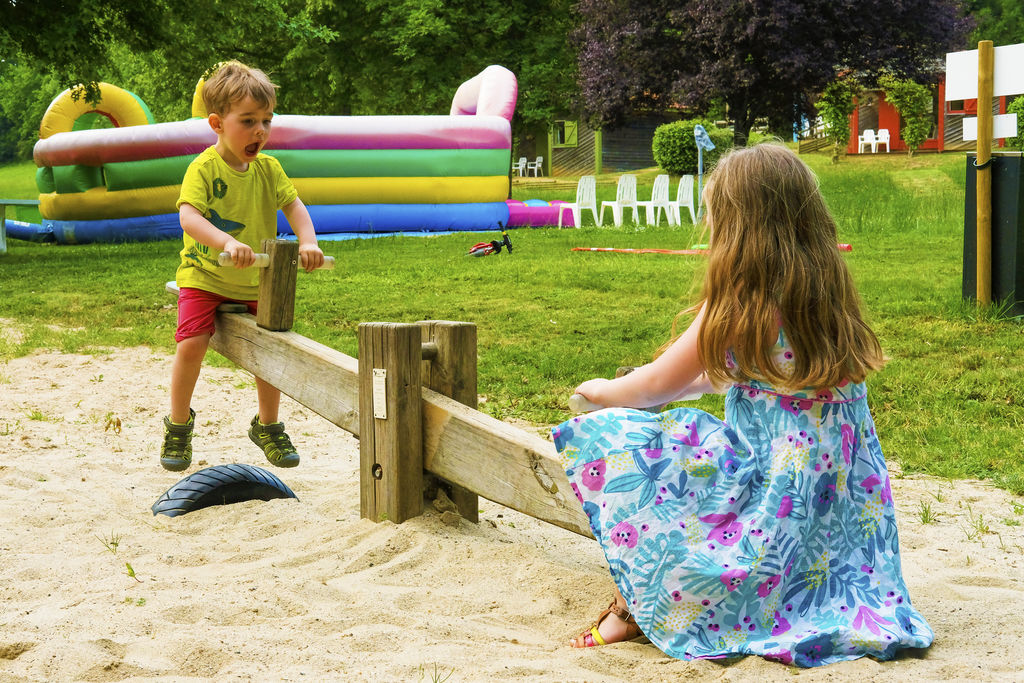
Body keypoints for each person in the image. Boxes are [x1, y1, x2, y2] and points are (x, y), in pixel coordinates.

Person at [552, 144, 932, 667]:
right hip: (836, 511)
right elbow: (745, 377)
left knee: (625, 444)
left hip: (773, 493)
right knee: (684, 427)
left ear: (738, 225)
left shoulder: (738, 294)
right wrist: (688, 389)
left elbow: (651, 387)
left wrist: (599, 392)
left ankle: (634, 605)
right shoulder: (824, 286)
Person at [161, 60, 324, 472]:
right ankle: (178, 425)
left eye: (266, 121)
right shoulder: (204, 168)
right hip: (205, 276)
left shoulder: (269, 169)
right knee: (191, 345)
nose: (260, 132)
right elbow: (189, 217)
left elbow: (295, 206)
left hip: (255, 282)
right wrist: (228, 242)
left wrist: (308, 240)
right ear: (217, 123)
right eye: (248, 121)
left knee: (271, 349)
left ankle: (267, 425)